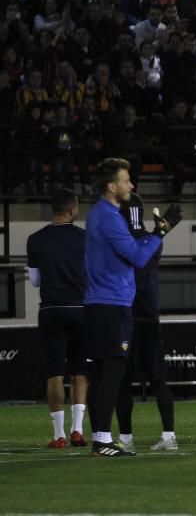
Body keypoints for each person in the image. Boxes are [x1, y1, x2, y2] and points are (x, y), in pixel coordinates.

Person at [84, 158, 182, 457]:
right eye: (126, 180)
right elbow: (138, 257)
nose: (131, 185)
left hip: (99, 303)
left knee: (102, 374)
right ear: (112, 186)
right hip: (112, 305)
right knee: (111, 374)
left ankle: (101, 438)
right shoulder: (111, 217)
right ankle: (102, 440)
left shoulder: (98, 214)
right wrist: (161, 232)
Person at [114, 193, 178, 452]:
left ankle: (127, 439)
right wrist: (159, 230)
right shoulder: (153, 241)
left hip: (128, 318)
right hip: (150, 317)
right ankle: (169, 435)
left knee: (122, 381)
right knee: (158, 380)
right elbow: (148, 251)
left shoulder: (120, 240)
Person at [27, 189, 88, 449]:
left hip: (51, 310)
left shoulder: (35, 239)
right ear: (73, 210)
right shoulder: (85, 238)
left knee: (54, 373)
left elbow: (34, 280)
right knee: (80, 372)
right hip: (81, 309)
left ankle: (59, 435)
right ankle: (77, 430)